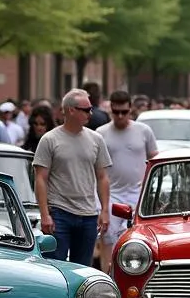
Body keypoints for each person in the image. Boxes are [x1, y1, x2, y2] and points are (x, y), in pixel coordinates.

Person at [33, 89, 112, 266]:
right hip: (60, 213)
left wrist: (105, 210)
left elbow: (102, 177)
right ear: (70, 110)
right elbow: (40, 178)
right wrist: (44, 214)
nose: (90, 113)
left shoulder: (96, 139)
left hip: (88, 214)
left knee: (83, 269)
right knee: (57, 267)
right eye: (86, 109)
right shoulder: (49, 139)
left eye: (91, 109)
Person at [96, 90, 157, 272]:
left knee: (138, 239)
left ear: (131, 110)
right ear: (111, 111)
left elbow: (154, 158)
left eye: (124, 112)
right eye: (116, 112)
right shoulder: (101, 133)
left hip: (138, 193)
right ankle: (107, 277)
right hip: (111, 194)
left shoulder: (144, 130)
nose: (120, 116)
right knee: (107, 239)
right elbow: (97, 170)